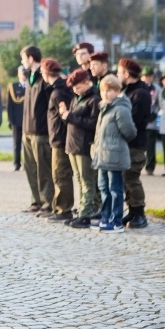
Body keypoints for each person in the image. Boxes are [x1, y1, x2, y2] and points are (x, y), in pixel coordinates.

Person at [91, 74, 136, 233]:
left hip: (115, 156)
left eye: (110, 90)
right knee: (103, 188)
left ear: (117, 91)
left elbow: (130, 132)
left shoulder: (121, 109)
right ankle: (105, 217)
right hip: (103, 156)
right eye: (103, 90)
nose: (106, 93)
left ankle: (116, 221)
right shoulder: (104, 108)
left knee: (115, 190)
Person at [59, 69, 101, 229]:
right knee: (78, 180)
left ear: (86, 82)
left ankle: (85, 214)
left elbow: (92, 124)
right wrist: (64, 114)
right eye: (73, 88)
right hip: (72, 145)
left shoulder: (93, 100)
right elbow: (69, 121)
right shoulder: (76, 99)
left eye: (77, 87)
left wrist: (69, 116)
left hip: (84, 146)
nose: (75, 90)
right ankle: (81, 211)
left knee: (87, 182)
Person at [117, 58, 151, 229]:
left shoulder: (140, 94)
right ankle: (131, 210)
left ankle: (139, 213)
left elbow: (134, 120)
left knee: (132, 178)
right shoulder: (128, 91)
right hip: (126, 143)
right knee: (126, 179)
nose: (117, 75)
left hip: (135, 144)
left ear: (126, 74)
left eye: (119, 72)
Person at [21, 45, 53, 214]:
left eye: (23, 58)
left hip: (40, 132)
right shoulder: (30, 77)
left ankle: (48, 203)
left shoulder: (44, 78)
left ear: (31, 58)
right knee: (30, 168)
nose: (22, 61)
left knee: (43, 170)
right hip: (27, 131)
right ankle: (36, 201)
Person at [41, 58, 74, 223]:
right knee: (59, 174)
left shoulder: (58, 93)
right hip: (58, 138)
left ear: (46, 73)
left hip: (60, 140)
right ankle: (58, 207)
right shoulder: (59, 89)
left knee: (61, 175)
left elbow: (63, 117)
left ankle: (64, 209)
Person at [141, 67, 160, 176]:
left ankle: (150, 167)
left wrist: (155, 113)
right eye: (145, 76)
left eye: (149, 76)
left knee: (151, 145)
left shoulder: (156, 89)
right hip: (140, 121)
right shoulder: (139, 88)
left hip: (151, 120)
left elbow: (159, 103)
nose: (147, 79)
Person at [7, 66, 27, 171]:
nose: (23, 75)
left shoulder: (31, 86)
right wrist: (10, 120)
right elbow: (10, 105)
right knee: (17, 143)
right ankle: (16, 163)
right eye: (22, 73)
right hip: (17, 120)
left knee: (27, 145)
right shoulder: (13, 86)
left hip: (29, 121)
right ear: (18, 74)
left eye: (25, 73)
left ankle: (27, 164)